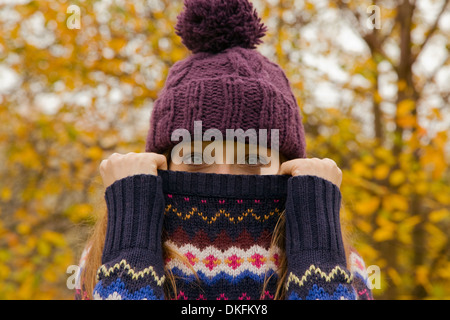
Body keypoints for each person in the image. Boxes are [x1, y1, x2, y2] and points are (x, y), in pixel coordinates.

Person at [75, 0, 373, 300]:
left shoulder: (343, 265)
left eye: (252, 160)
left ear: (289, 166)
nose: (222, 176)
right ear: (161, 164)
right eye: (195, 158)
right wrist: (131, 244)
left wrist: (318, 253)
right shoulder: (104, 256)